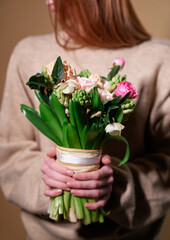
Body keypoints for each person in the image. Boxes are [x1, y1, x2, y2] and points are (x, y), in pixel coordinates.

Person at [0, 0, 170, 240]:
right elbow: (8, 152)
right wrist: (45, 179)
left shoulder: (161, 57)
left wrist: (119, 185)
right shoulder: (27, 52)